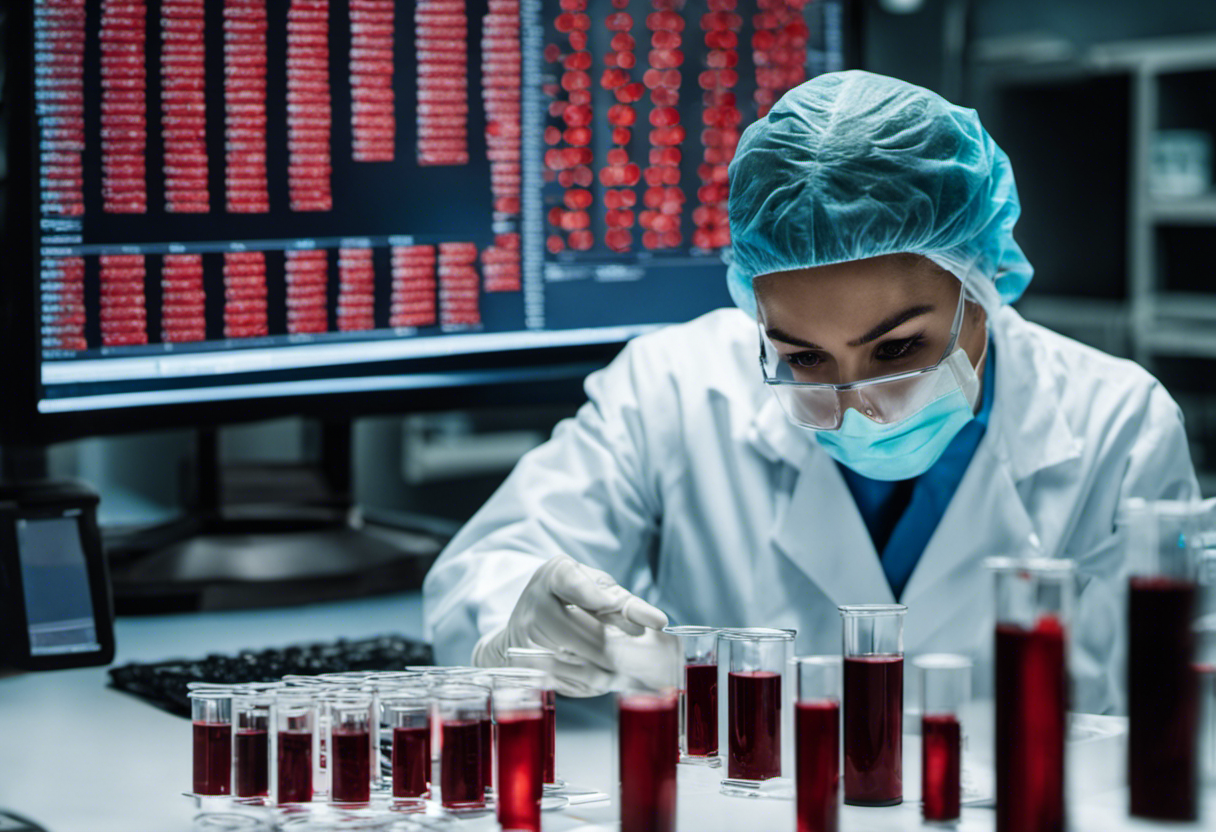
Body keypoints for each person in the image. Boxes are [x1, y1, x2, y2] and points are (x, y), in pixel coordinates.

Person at [422, 71, 1198, 712]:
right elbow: (491, 568)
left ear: (982, 283)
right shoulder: (674, 390)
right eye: (803, 360)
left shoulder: (1115, 426)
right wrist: (518, 620)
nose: (857, 403)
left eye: (897, 348)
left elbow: (1177, 714)